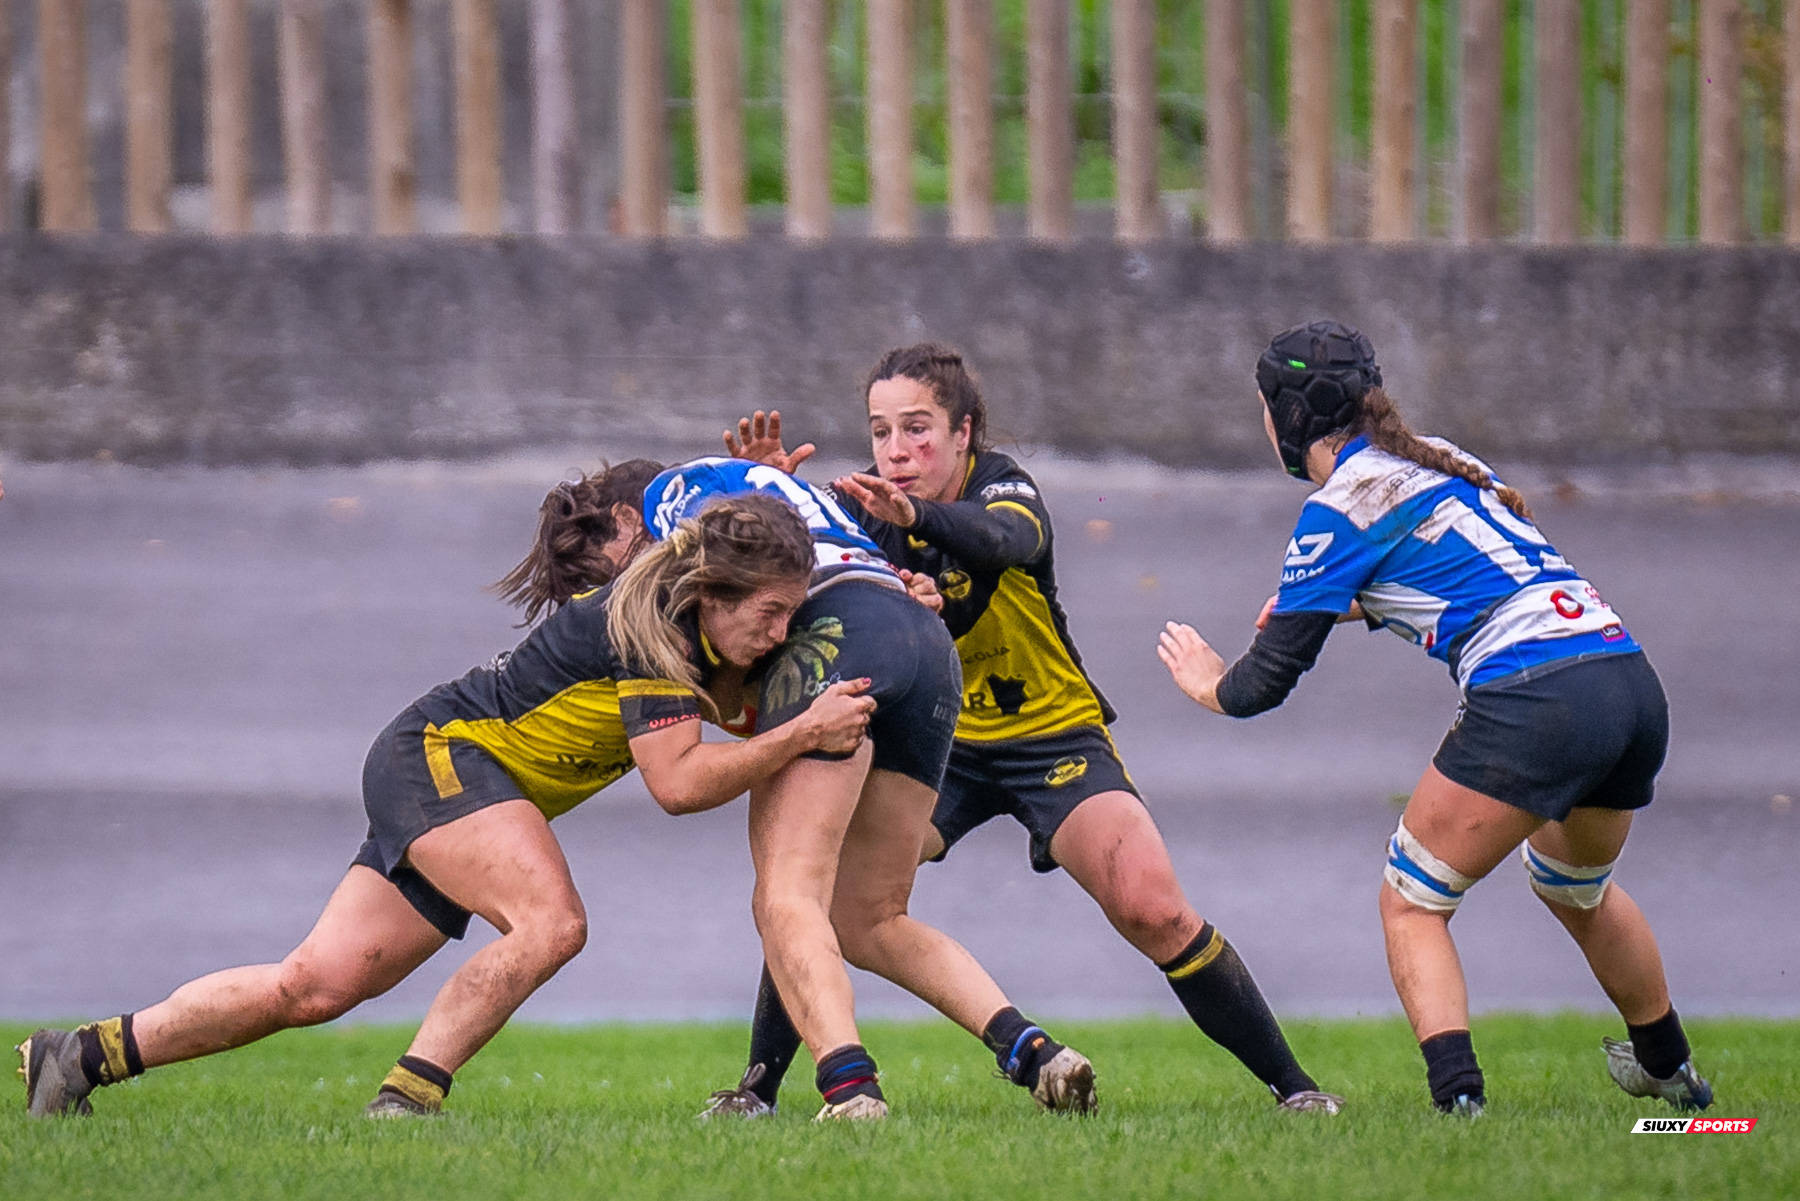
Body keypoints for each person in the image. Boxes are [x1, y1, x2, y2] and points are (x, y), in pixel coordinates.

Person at [16, 477, 875, 1119]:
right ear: (713, 593)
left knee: (310, 988)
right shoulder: (650, 626)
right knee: (552, 923)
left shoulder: (697, 619)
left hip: (444, 775)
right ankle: (406, 1102)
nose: (778, 632)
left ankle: (77, 1057)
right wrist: (800, 734)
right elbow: (680, 785)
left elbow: (727, 707)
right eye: (769, 612)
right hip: (442, 758)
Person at [703, 343, 1342, 1117]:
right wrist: (780, 495)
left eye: (918, 429)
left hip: (1053, 736)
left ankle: (1297, 1090)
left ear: (965, 431)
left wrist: (916, 521)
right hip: (941, 749)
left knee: (1154, 906)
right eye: (880, 433)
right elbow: (796, 574)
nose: (897, 452)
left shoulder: (1002, 486)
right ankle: (757, 1091)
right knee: (813, 879)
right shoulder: (866, 515)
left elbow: (1009, 541)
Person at [1157, 319, 1711, 1117]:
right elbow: (1472, 567)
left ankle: (1459, 1108)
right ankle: (1672, 1075)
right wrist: (1360, 607)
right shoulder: (1435, 456)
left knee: (1412, 899)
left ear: (1285, 416)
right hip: (1624, 678)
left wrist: (1210, 681)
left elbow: (1261, 685)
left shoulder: (1337, 507)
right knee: (1576, 887)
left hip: (1536, 693)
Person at [640, 456, 1098, 1120]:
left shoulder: (672, 515)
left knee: (788, 890)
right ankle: (1036, 1053)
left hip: (838, 634)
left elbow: (702, 649)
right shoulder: (784, 501)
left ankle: (850, 1087)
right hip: (925, 642)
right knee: (870, 916)